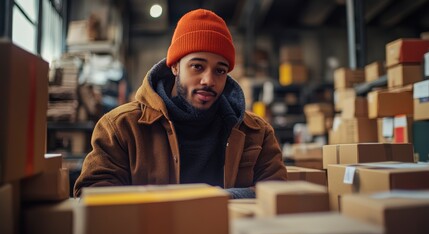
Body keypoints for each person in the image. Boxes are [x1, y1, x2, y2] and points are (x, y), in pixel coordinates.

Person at [74, 9, 287, 198]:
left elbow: (279, 193)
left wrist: (216, 198)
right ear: (175, 66)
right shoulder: (120, 127)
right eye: (197, 66)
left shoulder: (257, 133)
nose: (208, 80)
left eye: (220, 70)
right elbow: (91, 194)